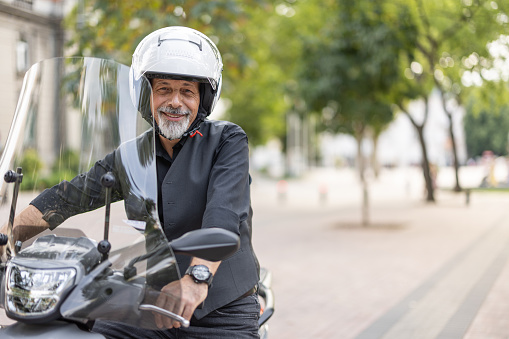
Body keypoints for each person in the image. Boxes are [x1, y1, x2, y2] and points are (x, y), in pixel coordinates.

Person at [1, 26, 260, 338]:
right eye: (163, 89)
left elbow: (224, 216)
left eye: (187, 91)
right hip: (154, 306)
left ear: (202, 99)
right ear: (145, 96)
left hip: (221, 311)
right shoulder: (132, 155)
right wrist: (6, 237)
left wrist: (197, 277)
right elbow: (66, 198)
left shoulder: (227, 141)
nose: (175, 101)